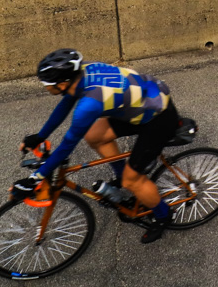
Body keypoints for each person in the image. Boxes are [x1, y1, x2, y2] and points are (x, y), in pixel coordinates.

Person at [13, 49, 180, 244]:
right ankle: (121, 177)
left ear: (63, 83)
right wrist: (40, 136)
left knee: (132, 181)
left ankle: (163, 215)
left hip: (158, 116)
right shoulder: (80, 74)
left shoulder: (90, 104)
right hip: (139, 103)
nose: (45, 87)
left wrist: (36, 178)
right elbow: (65, 104)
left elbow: (67, 146)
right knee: (94, 135)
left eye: (47, 84)